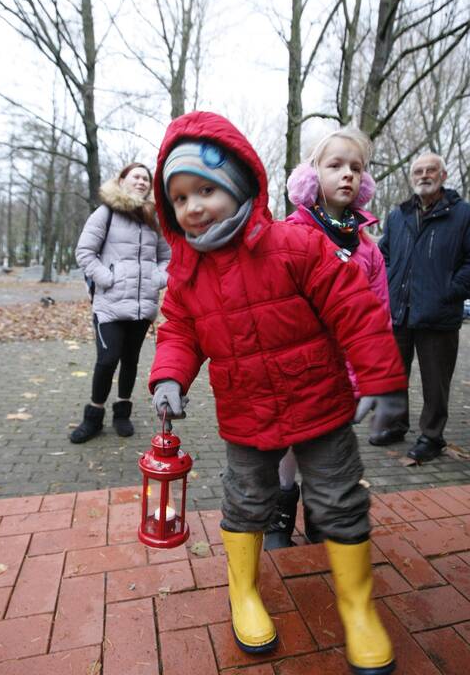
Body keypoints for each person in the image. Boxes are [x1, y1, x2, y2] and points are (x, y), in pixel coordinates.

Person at [148, 110, 406, 675]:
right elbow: (178, 330)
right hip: (246, 416)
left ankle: (357, 607)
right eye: (181, 198)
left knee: (339, 500)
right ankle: (244, 592)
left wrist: (383, 379)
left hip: (321, 408)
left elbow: (355, 310)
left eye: (206, 190)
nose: (193, 207)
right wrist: (170, 376)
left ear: (240, 184)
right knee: (246, 502)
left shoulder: (295, 245)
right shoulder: (188, 277)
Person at [263, 126, 392, 551]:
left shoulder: (369, 249)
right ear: (310, 175)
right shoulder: (291, 234)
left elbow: (377, 317)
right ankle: (281, 507)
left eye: (356, 168)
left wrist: (369, 379)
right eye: (334, 165)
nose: (347, 174)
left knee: (328, 446)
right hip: (295, 364)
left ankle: (321, 510)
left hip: (342, 373)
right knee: (289, 444)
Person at [378, 152, 470, 462]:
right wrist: (389, 288)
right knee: (394, 375)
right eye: (418, 171)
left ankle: (432, 436)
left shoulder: (463, 214)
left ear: (443, 176)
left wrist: (449, 290)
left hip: (438, 314)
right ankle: (396, 425)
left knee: (436, 382)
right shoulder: (398, 215)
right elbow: (384, 255)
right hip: (400, 311)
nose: (424, 175)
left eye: (431, 170)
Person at [71, 162, 170, 444]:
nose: (141, 182)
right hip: (110, 305)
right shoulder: (106, 213)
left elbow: (167, 256)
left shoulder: (153, 218)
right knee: (108, 359)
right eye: (136, 176)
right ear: (122, 180)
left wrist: (157, 277)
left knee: (131, 360)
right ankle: (93, 416)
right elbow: (85, 251)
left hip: (142, 306)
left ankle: (122, 413)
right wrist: (108, 278)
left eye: (146, 179)